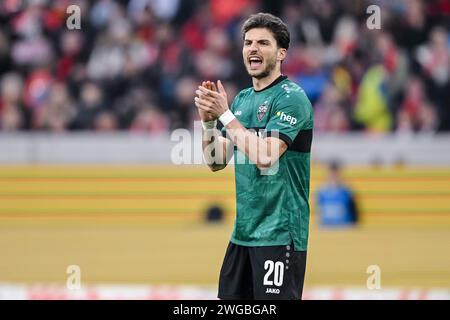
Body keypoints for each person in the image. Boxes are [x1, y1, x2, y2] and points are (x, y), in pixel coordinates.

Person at [194, 13, 313, 300]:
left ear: (281, 52)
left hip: (280, 234)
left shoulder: (291, 98)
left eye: (263, 43)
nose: (253, 49)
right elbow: (216, 161)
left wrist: (225, 114)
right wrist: (209, 123)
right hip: (243, 234)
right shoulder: (243, 100)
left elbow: (266, 156)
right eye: (248, 43)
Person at [316, 161, 359, 227]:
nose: (334, 176)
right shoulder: (322, 191)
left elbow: (354, 213)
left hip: (344, 227)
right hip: (327, 227)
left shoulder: (347, 191)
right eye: (332, 173)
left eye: (336, 173)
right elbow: (320, 212)